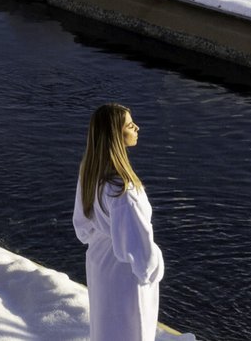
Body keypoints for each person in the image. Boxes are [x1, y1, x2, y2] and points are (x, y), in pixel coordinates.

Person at [73, 103, 165, 341]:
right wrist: (154, 267)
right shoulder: (124, 192)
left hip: (100, 262)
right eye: (129, 124)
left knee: (104, 330)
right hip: (124, 276)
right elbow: (143, 260)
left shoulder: (90, 172)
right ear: (116, 134)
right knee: (130, 331)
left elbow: (82, 228)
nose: (137, 127)